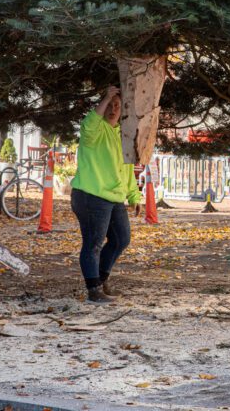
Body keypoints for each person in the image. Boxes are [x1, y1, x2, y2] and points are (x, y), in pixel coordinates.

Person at [71, 86, 142, 304]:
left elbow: (127, 169)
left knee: (121, 239)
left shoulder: (123, 135)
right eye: (110, 105)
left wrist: (134, 196)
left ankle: (101, 281)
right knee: (93, 242)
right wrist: (108, 96)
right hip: (91, 194)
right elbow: (90, 122)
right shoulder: (94, 130)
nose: (113, 109)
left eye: (117, 106)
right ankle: (94, 290)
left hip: (114, 196)